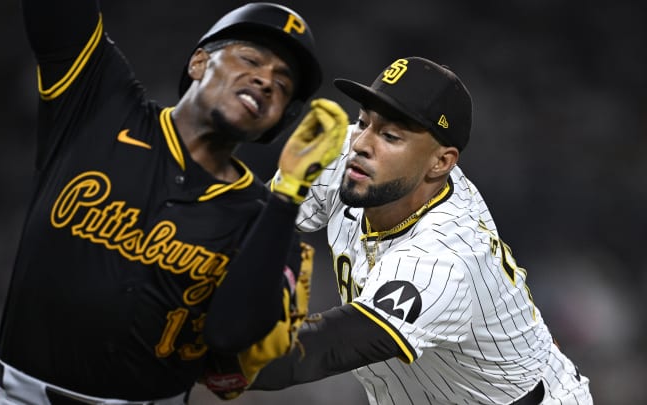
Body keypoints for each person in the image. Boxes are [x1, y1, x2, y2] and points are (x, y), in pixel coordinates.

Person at [0, 1, 347, 404]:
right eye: (250, 59)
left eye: (282, 84)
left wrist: (289, 194)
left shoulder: (268, 223)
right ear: (198, 63)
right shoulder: (99, 103)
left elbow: (230, 335)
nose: (264, 81)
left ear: (278, 121)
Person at [240, 57, 592, 404]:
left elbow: (329, 347)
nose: (362, 143)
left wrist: (205, 356)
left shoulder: (444, 256)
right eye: (364, 121)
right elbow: (242, 231)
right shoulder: (356, 159)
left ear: (441, 162)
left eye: (391, 135)